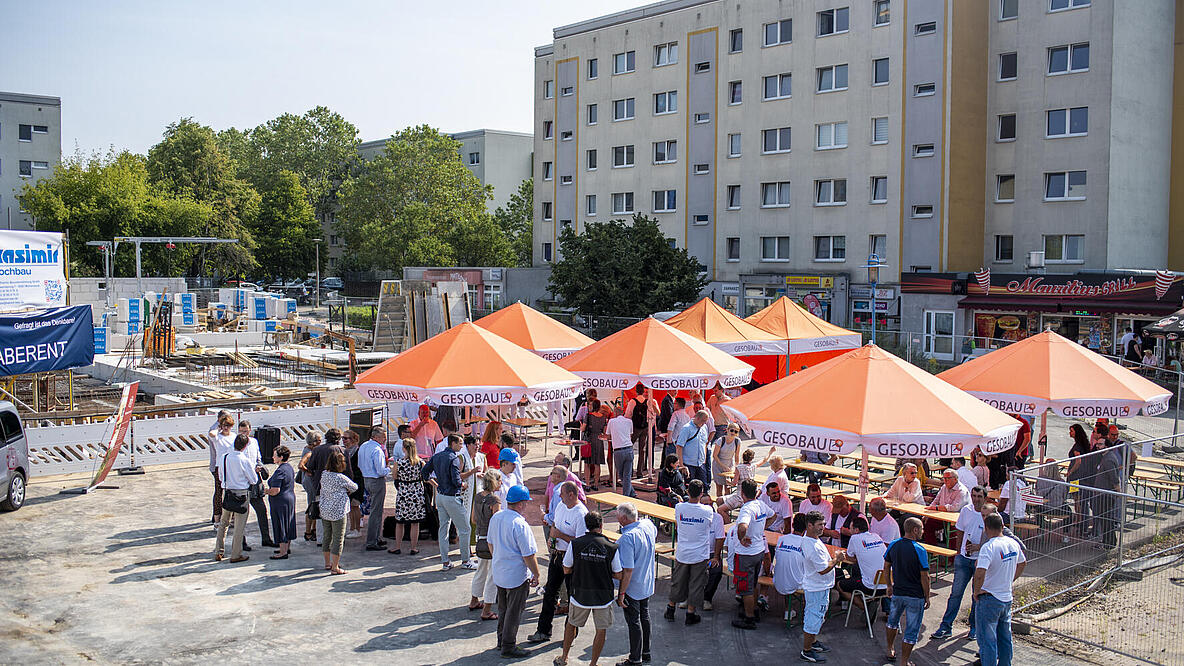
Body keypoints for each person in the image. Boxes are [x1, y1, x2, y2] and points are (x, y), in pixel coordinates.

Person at [554, 511, 622, 666]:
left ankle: (564, 657)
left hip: (580, 593)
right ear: (601, 525)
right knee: (601, 629)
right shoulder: (611, 547)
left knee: (571, 623)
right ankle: (593, 663)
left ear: (586, 525)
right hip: (603, 596)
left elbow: (566, 568)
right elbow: (618, 574)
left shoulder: (575, 544)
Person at [530, 482, 589, 644]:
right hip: (557, 556)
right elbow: (555, 524)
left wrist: (560, 535)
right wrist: (552, 537)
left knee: (572, 597)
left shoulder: (581, 514)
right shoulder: (562, 507)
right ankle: (543, 630)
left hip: (571, 561)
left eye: (562, 494)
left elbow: (581, 543)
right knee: (550, 593)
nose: (559, 497)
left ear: (571, 494)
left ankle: (570, 634)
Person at [490, 485, 542, 659]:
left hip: (499, 572)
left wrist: (500, 558)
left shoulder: (497, 518)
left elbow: (490, 544)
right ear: (520, 504)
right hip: (516, 575)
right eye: (525, 503)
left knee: (503, 609)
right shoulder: (520, 524)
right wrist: (536, 573)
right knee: (514, 611)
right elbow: (528, 554)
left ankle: (501, 640)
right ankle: (508, 645)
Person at [932, 484, 989, 640]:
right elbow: (960, 531)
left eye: (979, 497)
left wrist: (979, 547)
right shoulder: (966, 511)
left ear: (985, 498)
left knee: (976, 596)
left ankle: (974, 628)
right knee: (955, 594)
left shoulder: (989, 515)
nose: (976, 500)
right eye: (974, 496)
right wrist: (958, 553)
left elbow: (994, 538)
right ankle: (946, 626)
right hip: (964, 559)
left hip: (980, 562)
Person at [973, 512, 1027, 666]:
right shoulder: (1013, 543)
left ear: (986, 528)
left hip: (989, 598)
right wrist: (1009, 579)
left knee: (987, 641)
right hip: (1006, 598)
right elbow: (1023, 563)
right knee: (1005, 638)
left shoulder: (988, 547)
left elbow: (980, 572)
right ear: (1002, 527)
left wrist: (977, 591)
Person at [883, 517, 931, 666]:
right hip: (915, 595)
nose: (923, 531)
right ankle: (904, 661)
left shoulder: (893, 545)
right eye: (922, 529)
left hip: (897, 592)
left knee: (892, 622)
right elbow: (925, 576)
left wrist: (889, 585)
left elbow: (886, 566)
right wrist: (927, 596)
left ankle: (890, 649)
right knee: (911, 630)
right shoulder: (920, 549)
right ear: (915, 530)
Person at [800, 510, 845, 663]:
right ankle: (806, 650)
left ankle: (812, 642)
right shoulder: (811, 544)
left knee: (818, 616)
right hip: (816, 587)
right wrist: (837, 559)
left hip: (820, 586)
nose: (822, 528)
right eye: (819, 525)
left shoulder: (814, 539)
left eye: (824, 524)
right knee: (813, 618)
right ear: (809, 525)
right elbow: (822, 569)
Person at [615, 502, 658, 666]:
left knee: (634, 621)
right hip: (646, 581)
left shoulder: (627, 538)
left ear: (624, 519)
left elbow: (627, 570)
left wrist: (621, 594)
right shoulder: (647, 525)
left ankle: (635, 659)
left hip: (633, 586)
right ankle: (645, 652)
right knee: (644, 617)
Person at [424, 433, 475, 570]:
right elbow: (457, 481)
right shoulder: (454, 459)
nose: (461, 446)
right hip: (452, 497)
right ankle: (466, 561)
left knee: (444, 529)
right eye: (459, 443)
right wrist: (464, 485)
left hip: (440, 496)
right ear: (453, 443)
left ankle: (445, 562)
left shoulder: (437, 456)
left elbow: (424, 473)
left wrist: (435, 484)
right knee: (465, 529)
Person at [667, 479, 714, 625]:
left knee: (678, 582)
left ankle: (670, 608)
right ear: (701, 494)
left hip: (683, 552)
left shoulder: (680, 507)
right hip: (699, 554)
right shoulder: (707, 510)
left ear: (688, 492)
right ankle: (690, 613)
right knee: (696, 583)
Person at [731, 479, 772, 630]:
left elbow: (743, 525)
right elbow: (773, 515)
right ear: (755, 492)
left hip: (746, 554)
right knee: (753, 582)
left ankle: (749, 619)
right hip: (759, 550)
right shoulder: (761, 504)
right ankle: (753, 609)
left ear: (742, 493)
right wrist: (761, 529)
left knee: (745, 588)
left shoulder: (746, 509)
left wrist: (742, 537)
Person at [214, 434, 258, 563]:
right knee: (239, 527)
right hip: (241, 494)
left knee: (223, 523)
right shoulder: (244, 460)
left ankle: (218, 550)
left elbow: (221, 477)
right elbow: (253, 480)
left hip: (228, 492)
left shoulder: (224, 457)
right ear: (245, 446)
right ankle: (235, 554)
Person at [235, 420, 274, 549]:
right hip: (242, 483)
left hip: (255, 482)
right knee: (242, 514)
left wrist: (259, 467)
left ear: (250, 430)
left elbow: (258, 459)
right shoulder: (236, 443)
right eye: (241, 432)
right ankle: (242, 542)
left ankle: (266, 538)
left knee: (262, 511)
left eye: (245, 431)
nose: (243, 434)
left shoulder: (254, 442)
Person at [838, 517, 889, 615]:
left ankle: (866, 610)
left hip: (871, 586)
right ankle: (869, 603)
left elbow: (849, 557)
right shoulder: (876, 536)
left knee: (840, 585)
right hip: (888, 585)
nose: (850, 531)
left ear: (856, 530)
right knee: (857, 571)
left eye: (851, 529)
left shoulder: (855, 538)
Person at [470, 469, 503, 621]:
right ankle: (487, 608)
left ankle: (474, 599)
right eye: (500, 480)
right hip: (491, 540)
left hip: (480, 538)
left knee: (481, 570)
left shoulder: (477, 497)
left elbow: (474, 519)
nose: (501, 483)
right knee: (493, 574)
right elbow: (496, 522)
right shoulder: (494, 500)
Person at [320, 449, 357, 575]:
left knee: (327, 536)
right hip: (338, 511)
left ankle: (327, 563)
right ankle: (335, 567)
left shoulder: (324, 474)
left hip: (325, 509)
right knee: (338, 539)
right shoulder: (341, 477)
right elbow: (354, 487)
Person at [1090, 426, 1126, 549]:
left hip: (1106, 494)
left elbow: (1114, 478)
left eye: (1100, 444)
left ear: (1106, 446)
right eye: (1098, 444)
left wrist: (1117, 491)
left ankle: (1109, 542)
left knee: (1106, 519)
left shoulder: (1109, 459)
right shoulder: (1105, 457)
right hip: (1101, 493)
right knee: (1103, 518)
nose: (1098, 446)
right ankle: (1106, 541)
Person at [357, 427, 391, 551]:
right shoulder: (377, 450)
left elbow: (360, 464)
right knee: (376, 512)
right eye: (383, 437)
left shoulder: (364, 446)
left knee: (375, 510)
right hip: (376, 480)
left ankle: (376, 537)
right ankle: (372, 541)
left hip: (366, 479)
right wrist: (390, 469)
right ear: (376, 437)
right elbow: (381, 470)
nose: (385, 439)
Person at [390, 438, 425, 555]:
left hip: (404, 492)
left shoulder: (398, 463)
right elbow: (425, 476)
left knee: (400, 522)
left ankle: (397, 546)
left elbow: (395, 477)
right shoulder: (420, 463)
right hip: (416, 492)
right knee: (415, 522)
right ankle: (413, 547)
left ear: (403, 448)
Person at [772, 513, 807, 624]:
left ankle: (788, 610)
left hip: (778, 580)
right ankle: (807, 613)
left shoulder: (782, 539)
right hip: (795, 583)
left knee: (788, 571)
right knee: (813, 578)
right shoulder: (806, 543)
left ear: (792, 524)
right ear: (806, 528)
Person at [265, 445, 297, 559]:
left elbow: (275, 490)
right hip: (289, 498)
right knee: (288, 522)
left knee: (281, 523)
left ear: (281, 457)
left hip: (280, 501)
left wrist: (265, 491)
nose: (273, 458)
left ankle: (283, 552)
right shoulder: (288, 467)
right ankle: (286, 547)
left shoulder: (280, 471)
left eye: (275, 456)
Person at [923, 469, 971, 544]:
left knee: (952, 533)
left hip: (958, 520)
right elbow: (936, 500)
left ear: (955, 479)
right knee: (928, 523)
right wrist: (928, 512)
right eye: (944, 478)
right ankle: (933, 550)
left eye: (947, 478)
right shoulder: (944, 487)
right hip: (943, 517)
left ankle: (952, 554)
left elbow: (955, 507)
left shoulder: (962, 491)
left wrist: (936, 508)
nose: (945, 480)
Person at [207, 414, 236, 525]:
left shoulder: (234, 436)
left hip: (232, 466)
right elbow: (211, 433)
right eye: (224, 425)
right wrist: (218, 426)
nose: (226, 428)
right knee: (219, 493)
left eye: (228, 425)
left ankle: (232, 517)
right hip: (220, 467)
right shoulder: (218, 437)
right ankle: (217, 519)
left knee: (232, 492)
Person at [1066, 423, 1094, 531]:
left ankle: (1079, 519)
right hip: (1081, 475)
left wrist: (1070, 472)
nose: (1070, 433)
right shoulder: (1083, 444)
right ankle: (1080, 518)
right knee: (1078, 498)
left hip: (1075, 477)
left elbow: (1078, 461)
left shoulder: (1077, 446)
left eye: (1072, 431)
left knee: (1076, 498)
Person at [625, 385, 659, 477]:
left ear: (636, 391)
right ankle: (639, 472)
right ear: (643, 391)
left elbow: (628, 415)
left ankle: (630, 470)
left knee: (629, 447)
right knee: (642, 449)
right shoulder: (648, 402)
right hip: (645, 427)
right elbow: (654, 414)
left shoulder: (633, 401)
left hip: (635, 427)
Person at [675, 410, 712, 486]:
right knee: (690, 488)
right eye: (703, 421)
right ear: (697, 418)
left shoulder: (704, 427)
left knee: (702, 488)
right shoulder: (686, 428)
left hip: (701, 464)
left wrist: (704, 460)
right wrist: (681, 465)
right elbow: (679, 447)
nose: (704, 423)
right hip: (689, 464)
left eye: (705, 421)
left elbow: (704, 443)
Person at [581, 398, 611, 490]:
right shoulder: (603, 417)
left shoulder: (588, 416)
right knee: (597, 463)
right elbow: (605, 431)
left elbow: (582, 429)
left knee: (587, 463)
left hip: (589, 440)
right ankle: (596, 484)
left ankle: (587, 484)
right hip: (599, 440)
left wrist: (581, 425)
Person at [608, 406, 637, 497]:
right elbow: (630, 434)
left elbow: (608, 435)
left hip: (618, 450)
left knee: (621, 475)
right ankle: (631, 493)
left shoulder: (611, 421)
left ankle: (627, 495)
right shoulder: (629, 421)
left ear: (615, 413)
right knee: (627, 475)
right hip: (629, 448)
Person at [298, 430, 322, 542]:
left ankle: (313, 530)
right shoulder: (309, 452)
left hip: (308, 480)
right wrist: (309, 471)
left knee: (313, 504)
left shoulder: (309, 450)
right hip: (310, 481)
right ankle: (308, 531)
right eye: (319, 440)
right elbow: (300, 465)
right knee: (312, 506)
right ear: (314, 442)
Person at [342, 428, 365, 538]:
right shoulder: (346, 451)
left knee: (355, 505)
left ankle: (357, 529)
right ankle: (352, 528)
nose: (344, 440)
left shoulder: (357, 451)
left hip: (357, 480)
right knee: (351, 506)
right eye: (343, 438)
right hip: (349, 481)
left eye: (346, 438)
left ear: (353, 439)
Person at [711, 424, 742, 497]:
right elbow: (715, 455)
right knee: (719, 488)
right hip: (718, 465)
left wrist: (735, 467)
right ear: (727, 430)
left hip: (729, 465)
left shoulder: (737, 441)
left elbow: (736, 456)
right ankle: (719, 505)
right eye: (731, 430)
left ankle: (726, 506)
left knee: (728, 488)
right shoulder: (721, 440)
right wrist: (723, 466)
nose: (733, 433)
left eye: (736, 431)